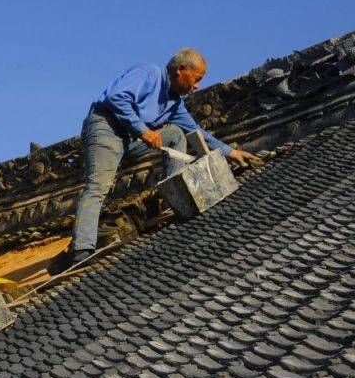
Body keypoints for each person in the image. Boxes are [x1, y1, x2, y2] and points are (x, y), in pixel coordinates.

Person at [64, 47, 262, 269]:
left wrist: (231, 152)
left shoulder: (175, 104)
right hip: (106, 128)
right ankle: (82, 250)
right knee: (98, 186)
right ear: (181, 69)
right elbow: (116, 97)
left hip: (131, 139)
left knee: (176, 134)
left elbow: (195, 132)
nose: (197, 86)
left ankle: (174, 196)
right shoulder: (149, 73)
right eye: (197, 79)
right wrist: (143, 130)